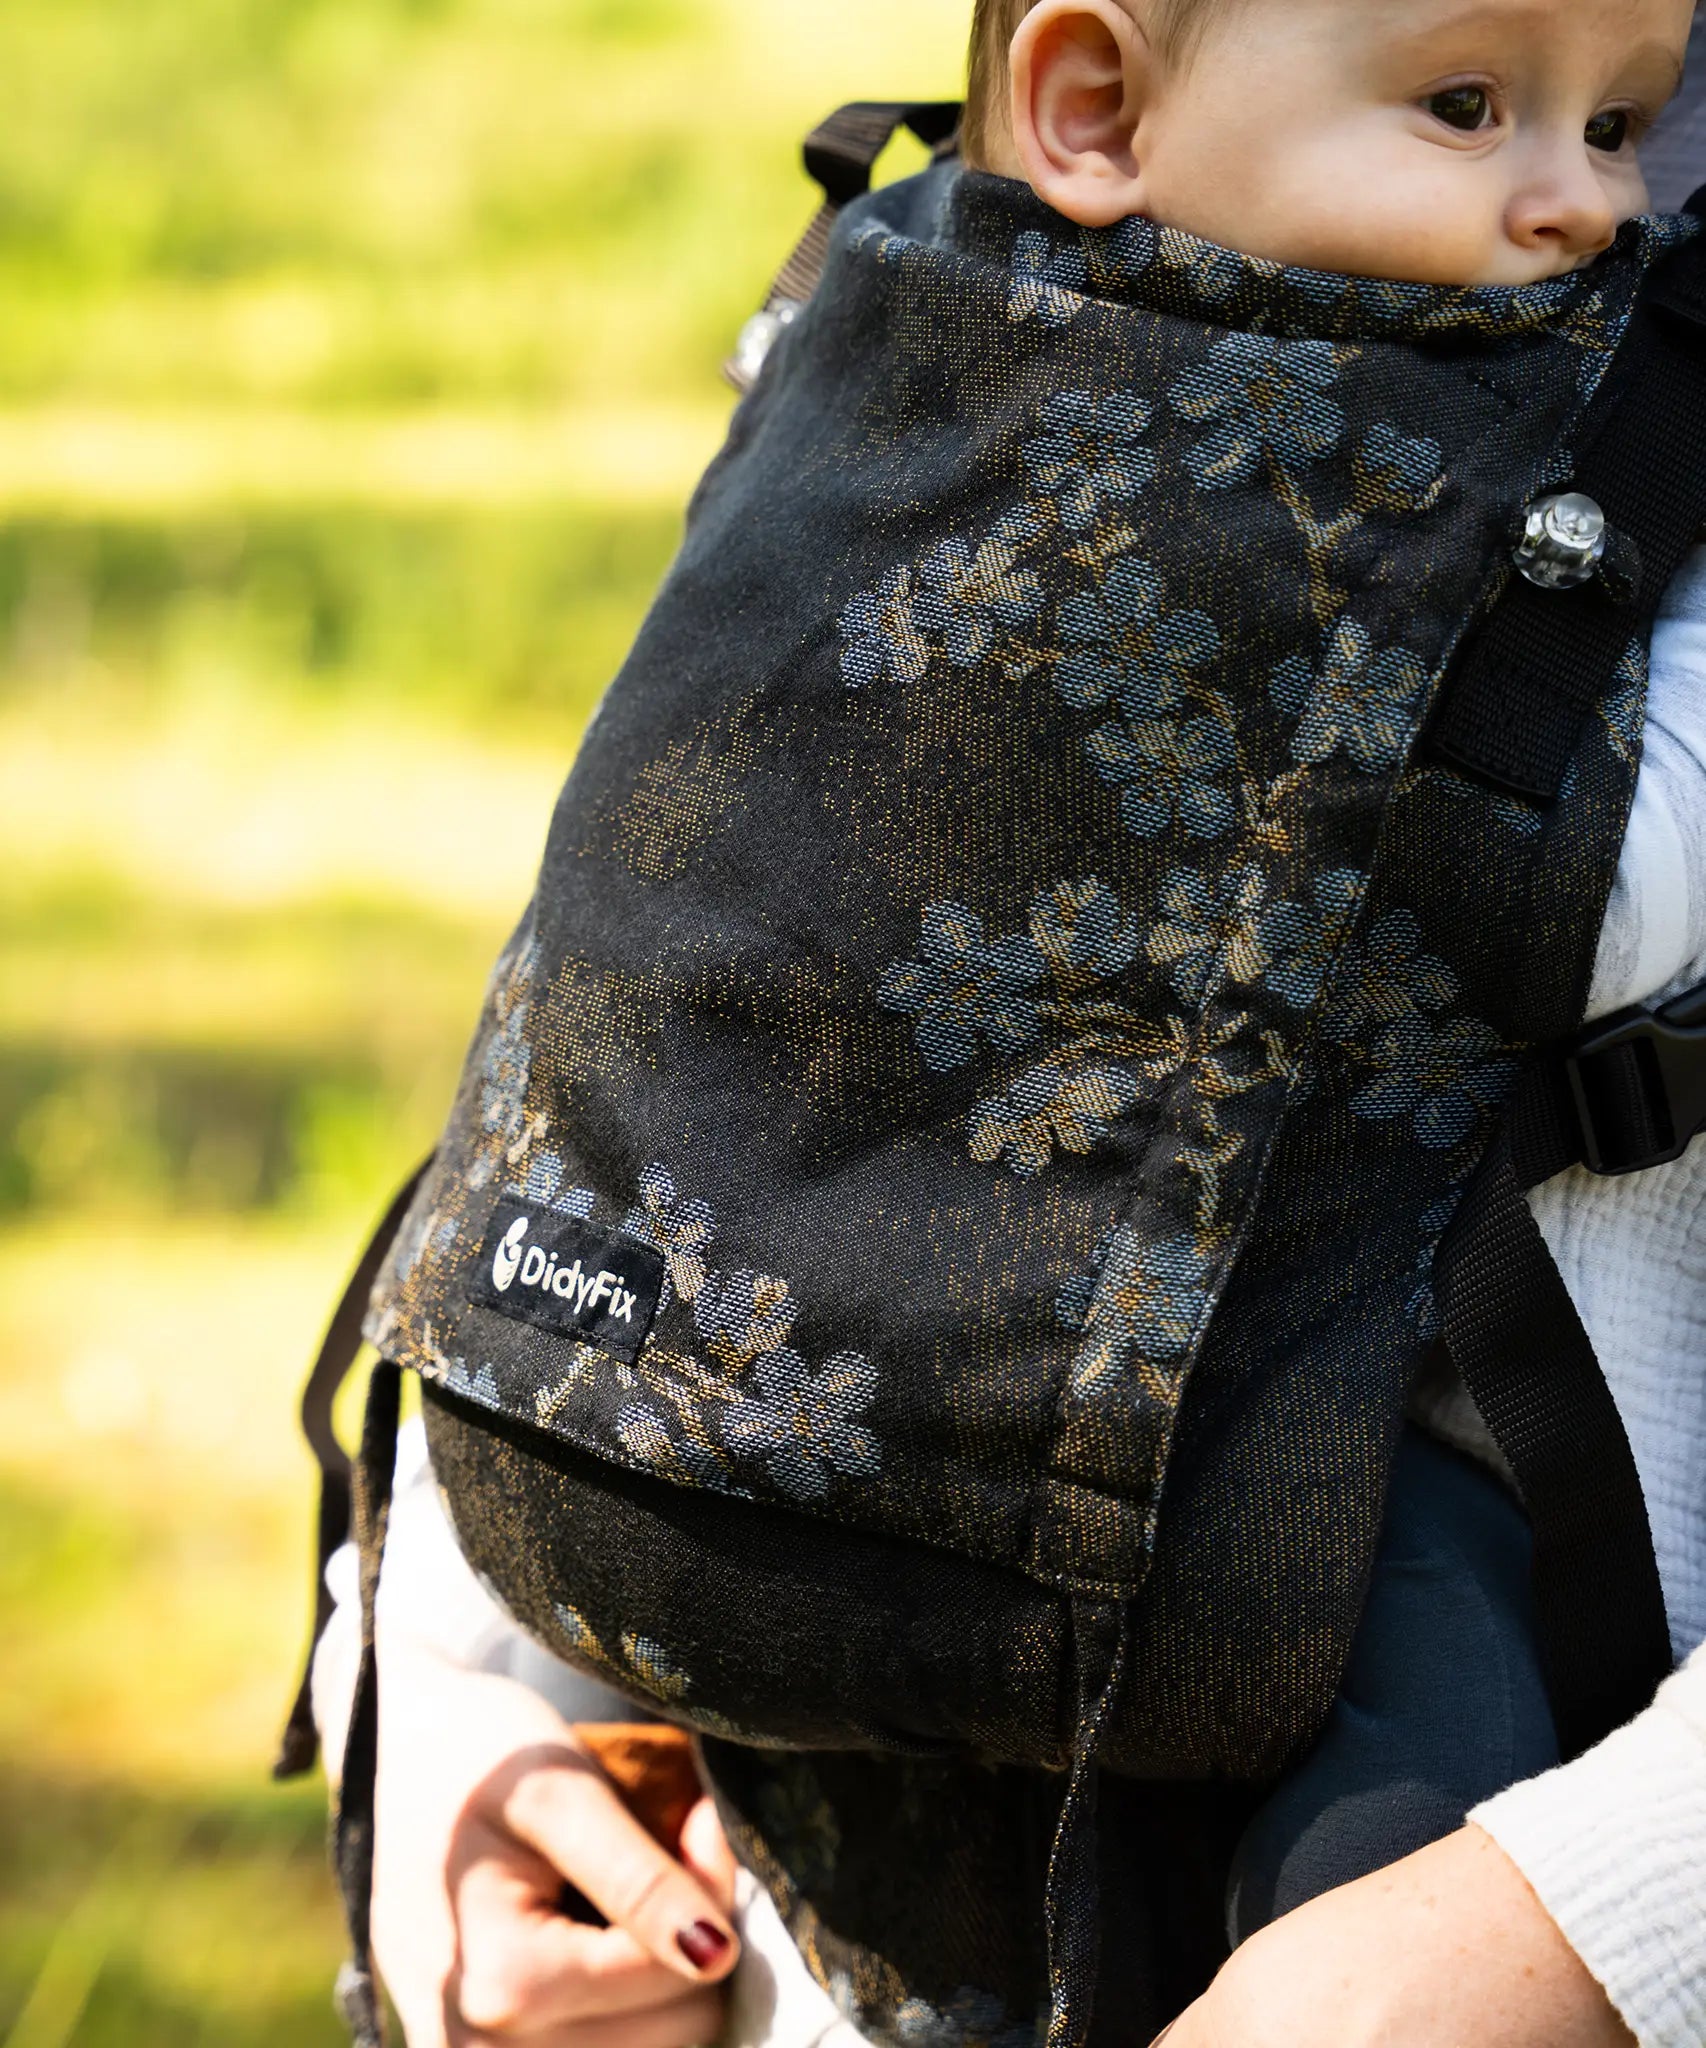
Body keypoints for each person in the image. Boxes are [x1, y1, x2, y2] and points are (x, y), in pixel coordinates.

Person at [311, 1, 1706, 2042]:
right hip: (764, 1798)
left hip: (1424, 1775)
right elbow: (661, 1013)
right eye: (1476, 112)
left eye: (1621, 127)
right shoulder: (934, 354)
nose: (1580, 198)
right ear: (1085, 108)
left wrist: (1562, 1939)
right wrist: (458, 1703)